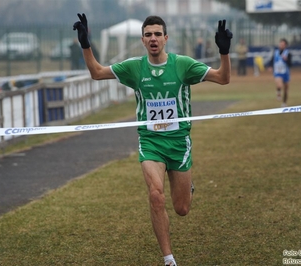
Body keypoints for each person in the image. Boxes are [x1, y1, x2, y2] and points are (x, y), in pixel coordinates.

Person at [73, 13, 232, 266]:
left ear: (166, 38)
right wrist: (85, 44)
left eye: (158, 34)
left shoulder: (183, 65)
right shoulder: (135, 68)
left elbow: (223, 78)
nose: (153, 38)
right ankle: (169, 259)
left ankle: (187, 188)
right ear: (143, 40)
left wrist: (224, 52)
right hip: (150, 143)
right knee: (156, 195)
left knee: (181, 209)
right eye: (148, 35)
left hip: (179, 143)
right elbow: (97, 72)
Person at [268, 38, 292, 107]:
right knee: (279, 85)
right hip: (277, 72)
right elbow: (272, 60)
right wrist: (270, 66)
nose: (281, 45)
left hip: (285, 73)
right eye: (280, 44)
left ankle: (284, 103)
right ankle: (278, 92)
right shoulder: (275, 52)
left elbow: (290, 64)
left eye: (283, 44)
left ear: (285, 45)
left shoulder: (288, 53)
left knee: (286, 89)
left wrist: (286, 60)